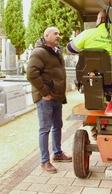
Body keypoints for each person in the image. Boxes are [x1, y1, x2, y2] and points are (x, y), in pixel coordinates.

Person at [26, 27, 72, 173]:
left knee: (58, 125)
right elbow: (31, 74)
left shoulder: (57, 51)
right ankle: (44, 161)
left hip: (56, 96)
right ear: (46, 35)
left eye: (59, 33)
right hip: (45, 97)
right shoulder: (39, 52)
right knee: (45, 128)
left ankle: (57, 153)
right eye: (55, 33)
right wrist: (45, 93)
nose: (58, 35)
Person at [66, 10, 112, 81]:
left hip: (88, 80)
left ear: (101, 19)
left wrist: (81, 50)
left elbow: (69, 49)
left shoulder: (86, 34)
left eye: (97, 19)